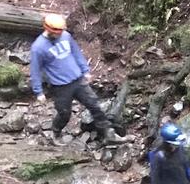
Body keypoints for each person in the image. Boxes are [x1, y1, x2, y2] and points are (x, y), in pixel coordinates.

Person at [29, 13, 122, 144]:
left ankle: (109, 134)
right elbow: (35, 71)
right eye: (57, 32)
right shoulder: (38, 48)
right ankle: (55, 133)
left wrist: (85, 70)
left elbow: (76, 53)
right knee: (64, 113)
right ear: (48, 29)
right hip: (60, 87)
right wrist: (38, 91)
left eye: (62, 31)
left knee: (95, 105)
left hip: (78, 80)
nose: (60, 34)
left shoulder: (66, 36)